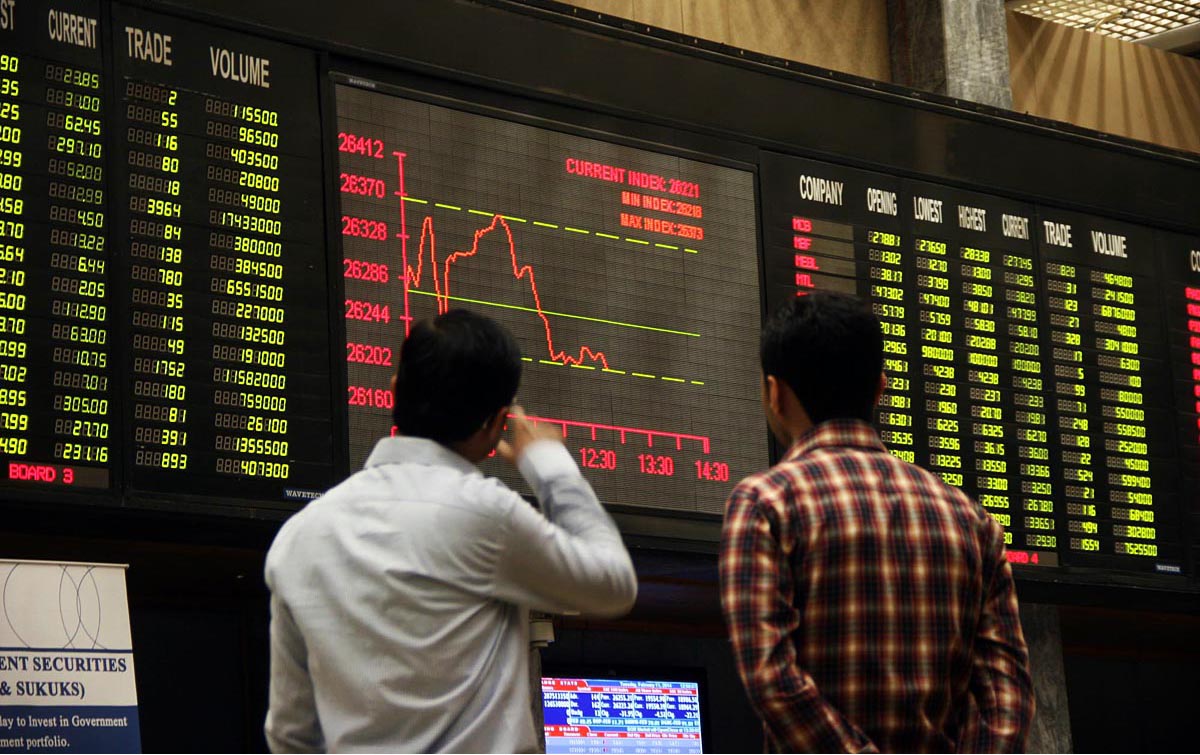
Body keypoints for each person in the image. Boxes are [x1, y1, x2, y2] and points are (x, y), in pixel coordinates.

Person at [264, 309, 638, 753]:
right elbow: (613, 584)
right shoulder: (487, 515)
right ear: (497, 425)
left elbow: (290, 735)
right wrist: (550, 466)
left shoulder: (300, 536)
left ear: (393, 394)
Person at [719, 292, 1034, 753]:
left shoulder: (765, 504)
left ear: (774, 393)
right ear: (880, 387)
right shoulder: (973, 521)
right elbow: (1006, 694)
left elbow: (771, 678)